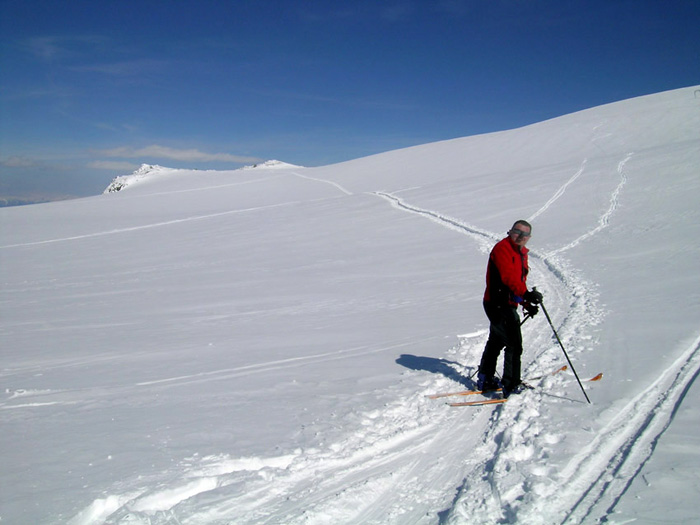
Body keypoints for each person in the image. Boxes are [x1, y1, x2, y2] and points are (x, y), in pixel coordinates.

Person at [477, 220, 543, 397]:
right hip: (497, 304)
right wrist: (527, 295)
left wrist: (526, 303)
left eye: (525, 234)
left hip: (505, 303)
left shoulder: (521, 253)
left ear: (529, 238)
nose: (521, 237)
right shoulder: (502, 249)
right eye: (517, 232)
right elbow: (508, 278)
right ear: (510, 231)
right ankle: (511, 385)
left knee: (496, 341)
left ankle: (485, 377)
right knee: (514, 345)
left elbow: (517, 282)